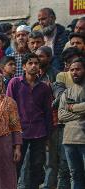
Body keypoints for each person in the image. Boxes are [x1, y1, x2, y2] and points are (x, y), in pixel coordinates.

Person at [6, 53, 53, 189]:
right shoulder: (15, 83)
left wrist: (48, 136)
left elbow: (48, 112)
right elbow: (9, 108)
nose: (34, 66)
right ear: (24, 66)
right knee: (15, 164)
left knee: (37, 166)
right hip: (19, 130)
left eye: (36, 63)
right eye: (30, 63)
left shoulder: (44, 87)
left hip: (39, 131)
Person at [58, 57, 85, 189]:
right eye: (72, 70)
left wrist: (73, 108)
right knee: (75, 175)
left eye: (78, 69)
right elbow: (61, 115)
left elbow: (67, 111)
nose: (74, 72)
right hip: (69, 140)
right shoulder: (67, 92)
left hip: (83, 139)